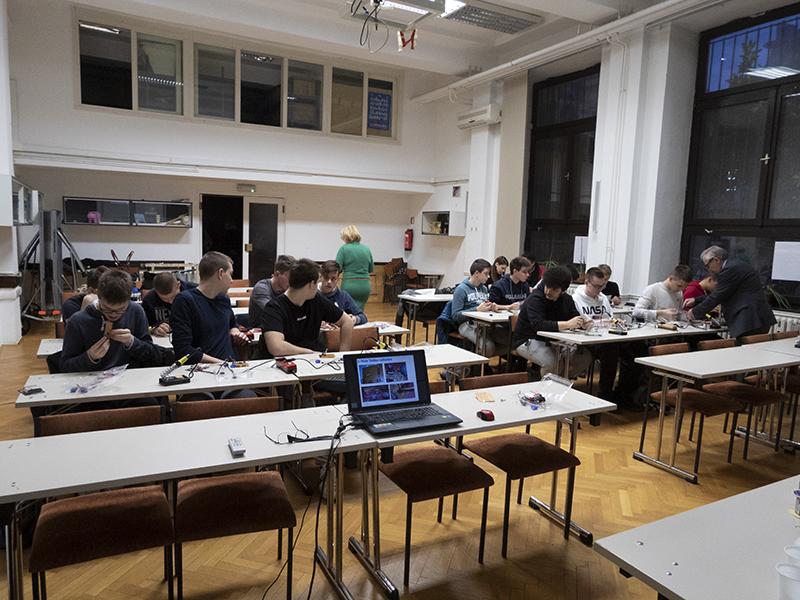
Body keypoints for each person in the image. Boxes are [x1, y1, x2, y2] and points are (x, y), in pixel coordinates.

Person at [61, 269, 171, 373]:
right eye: (107, 309)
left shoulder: (136, 311)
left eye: (121, 309)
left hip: (129, 379)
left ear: (129, 299)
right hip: (91, 381)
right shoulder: (77, 321)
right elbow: (65, 367)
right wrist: (89, 357)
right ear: (98, 296)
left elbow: (152, 355)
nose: (113, 315)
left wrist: (132, 342)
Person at [573, 267, 644, 405]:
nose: (599, 290)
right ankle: (604, 397)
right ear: (586, 282)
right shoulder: (576, 299)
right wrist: (602, 323)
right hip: (589, 339)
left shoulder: (603, 298)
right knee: (611, 351)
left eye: (602, 286)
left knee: (637, 347)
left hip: (608, 336)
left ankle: (624, 394)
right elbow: (583, 324)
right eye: (596, 286)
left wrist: (614, 322)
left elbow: (610, 318)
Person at [261, 258, 354, 357]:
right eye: (317, 283)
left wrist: (343, 355)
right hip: (281, 362)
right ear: (311, 284)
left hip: (312, 359)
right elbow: (276, 347)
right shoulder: (274, 307)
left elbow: (347, 321)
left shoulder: (316, 300)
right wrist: (309, 352)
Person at [170, 251, 250, 364]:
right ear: (220, 273)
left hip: (229, 366)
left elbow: (232, 325)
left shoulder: (223, 299)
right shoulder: (185, 301)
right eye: (230, 274)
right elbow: (183, 350)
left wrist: (235, 332)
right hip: (202, 370)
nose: (232, 281)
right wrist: (221, 364)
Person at [512, 266, 592, 378]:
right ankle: (549, 384)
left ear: (563, 291)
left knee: (584, 357)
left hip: (555, 340)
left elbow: (575, 318)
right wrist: (568, 324)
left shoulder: (567, 300)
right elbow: (538, 325)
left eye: (555, 289)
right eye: (547, 286)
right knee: (552, 362)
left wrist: (583, 323)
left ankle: (559, 381)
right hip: (528, 339)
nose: (549, 291)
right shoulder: (535, 299)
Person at [688, 245, 776, 339]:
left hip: (749, 319)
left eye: (707, 266)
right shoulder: (736, 265)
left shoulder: (729, 269)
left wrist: (694, 312)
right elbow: (724, 292)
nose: (708, 269)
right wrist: (696, 300)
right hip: (756, 318)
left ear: (716, 260)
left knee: (742, 348)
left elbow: (718, 295)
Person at [451, 258, 502, 357]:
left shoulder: (484, 288)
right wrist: (477, 310)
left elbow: (484, 307)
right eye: (486, 273)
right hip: (466, 324)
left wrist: (491, 307)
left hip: (484, 324)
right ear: (477, 273)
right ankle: (475, 362)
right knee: (488, 347)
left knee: (508, 340)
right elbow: (455, 316)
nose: (488, 277)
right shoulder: (461, 289)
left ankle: (479, 359)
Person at [142, 272, 197, 336]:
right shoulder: (149, 300)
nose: (171, 302)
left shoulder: (195, 292)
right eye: (165, 299)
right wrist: (153, 330)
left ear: (178, 285)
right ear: (156, 292)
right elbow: (144, 327)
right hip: (163, 339)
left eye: (174, 297)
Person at [248, 255, 295, 327]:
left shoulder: (288, 289)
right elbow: (273, 311)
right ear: (277, 274)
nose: (292, 281)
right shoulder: (261, 288)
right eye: (289, 277)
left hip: (281, 328)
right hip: (260, 330)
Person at [335, 224, 373, 311]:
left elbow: (337, 268)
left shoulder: (344, 249)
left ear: (346, 236)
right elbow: (370, 269)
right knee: (359, 311)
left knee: (347, 312)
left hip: (349, 284)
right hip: (365, 285)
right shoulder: (367, 249)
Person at [318, 260, 368, 325]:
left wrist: (355, 319)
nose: (329, 282)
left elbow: (363, 317)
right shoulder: (312, 294)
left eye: (333, 279)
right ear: (320, 277)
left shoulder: (343, 296)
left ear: (338, 280)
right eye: (326, 277)